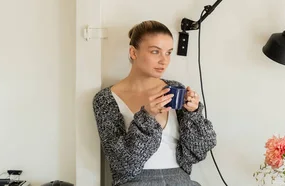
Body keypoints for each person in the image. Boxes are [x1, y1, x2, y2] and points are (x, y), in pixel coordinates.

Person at [92, 20, 217, 186]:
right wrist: (148, 117)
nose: (164, 60)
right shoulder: (106, 99)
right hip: (134, 182)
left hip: (179, 180)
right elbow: (122, 164)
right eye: (155, 52)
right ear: (133, 53)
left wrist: (193, 114)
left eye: (168, 53)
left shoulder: (175, 89)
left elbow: (199, 151)